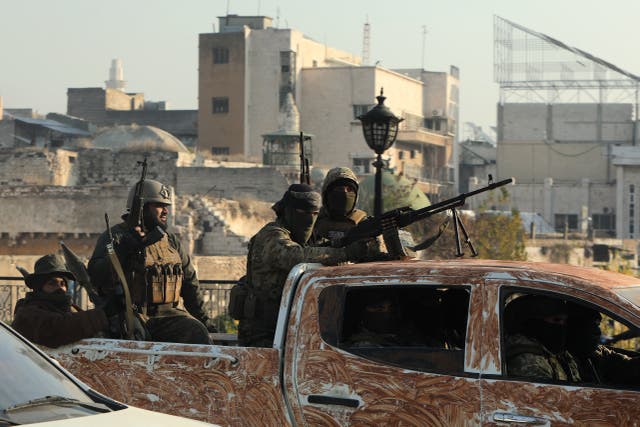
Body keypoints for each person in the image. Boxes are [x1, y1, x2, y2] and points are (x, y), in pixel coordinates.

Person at [238, 183, 379, 347]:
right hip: (261, 330)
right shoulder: (272, 235)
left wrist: (340, 244)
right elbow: (296, 256)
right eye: (303, 213)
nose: (309, 219)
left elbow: (310, 251)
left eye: (314, 214)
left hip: (283, 325)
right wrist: (345, 252)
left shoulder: (292, 238)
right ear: (289, 211)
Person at [88, 179, 215, 345]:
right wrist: (124, 249)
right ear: (141, 208)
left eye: (166, 206)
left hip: (169, 316)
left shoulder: (170, 241)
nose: (165, 211)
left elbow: (190, 284)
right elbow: (96, 275)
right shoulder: (115, 237)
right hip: (128, 315)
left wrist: (206, 323)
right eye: (158, 206)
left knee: (198, 333)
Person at [12, 254, 116, 348]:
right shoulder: (27, 314)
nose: (60, 288)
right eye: (52, 283)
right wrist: (103, 314)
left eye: (62, 284)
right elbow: (59, 328)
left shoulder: (70, 308)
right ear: (39, 288)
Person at [504, 295, 581, 382]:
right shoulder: (530, 362)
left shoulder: (555, 351)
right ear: (535, 322)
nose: (562, 326)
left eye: (565, 321)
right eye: (556, 320)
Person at [567, 303, 640, 386]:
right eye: (590, 325)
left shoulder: (597, 353)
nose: (597, 331)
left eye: (597, 325)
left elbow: (626, 366)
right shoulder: (562, 358)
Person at [311, 167, 368, 245]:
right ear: (327, 194)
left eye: (349, 189)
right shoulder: (312, 220)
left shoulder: (364, 224)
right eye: (339, 188)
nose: (344, 193)